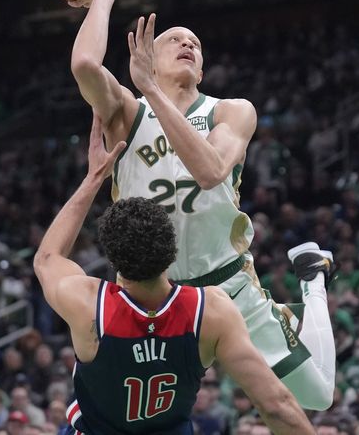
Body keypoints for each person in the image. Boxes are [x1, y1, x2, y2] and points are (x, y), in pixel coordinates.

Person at [55, 0, 335, 410]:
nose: (187, 43)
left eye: (195, 44)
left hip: (227, 285)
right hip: (150, 294)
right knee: (126, 411)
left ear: (201, 71)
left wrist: (151, 89)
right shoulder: (126, 113)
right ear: (148, 58)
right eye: (173, 40)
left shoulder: (231, 111)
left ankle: (313, 281)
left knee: (317, 398)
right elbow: (84, 66)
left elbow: (210, 171)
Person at [33, 115, 314, 434]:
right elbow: (277, 406)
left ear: (114, 261)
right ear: (171, 250)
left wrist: (95, 177)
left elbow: (46, 259)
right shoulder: (210, 311)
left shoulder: (87, 304)